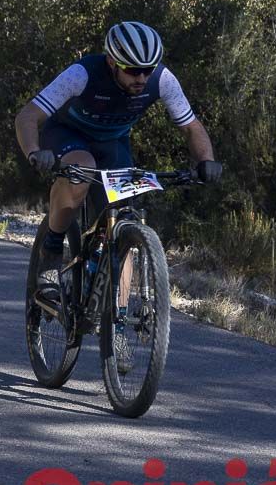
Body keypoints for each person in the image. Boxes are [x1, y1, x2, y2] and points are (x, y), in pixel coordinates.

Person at [14, 21, 223, 299]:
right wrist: (33, 151)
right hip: (68, 134)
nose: (141, 78)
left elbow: (191, 127)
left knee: (123, 217)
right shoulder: (82, 74)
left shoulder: (162, 79)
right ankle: (51, 247)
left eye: (147, 70)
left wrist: (205, 161)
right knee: (82, 168)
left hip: (112, 142)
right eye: (133, 70)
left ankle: (117, 326)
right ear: (112, 61)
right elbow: (27, 116)